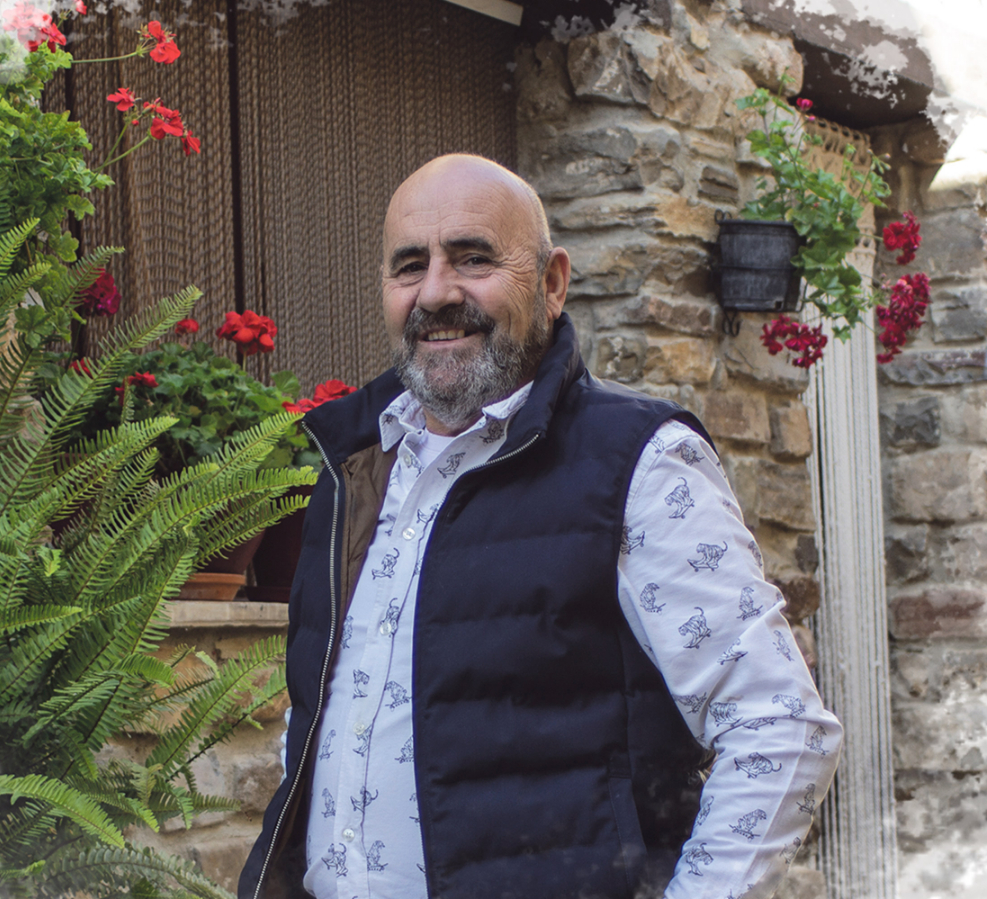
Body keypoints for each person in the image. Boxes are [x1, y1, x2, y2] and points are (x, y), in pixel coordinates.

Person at [238, 154, 842, 899]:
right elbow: (323, 720)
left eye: (473, 258)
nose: (436, 292)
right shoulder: (352, 465)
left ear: (552, 283)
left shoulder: (639, 462)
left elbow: (779, 726)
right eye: (410, 266)